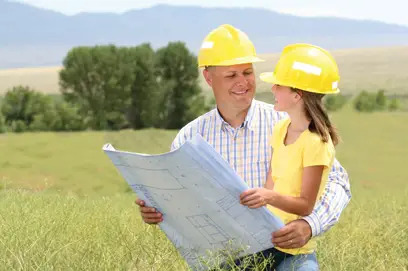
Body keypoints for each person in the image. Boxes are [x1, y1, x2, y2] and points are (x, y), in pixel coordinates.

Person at [135, 24, 351, 270]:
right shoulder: (189, 138)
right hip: (224, 257)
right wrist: (158, 210)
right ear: (208, 77)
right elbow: (180, 201)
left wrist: (309, 225)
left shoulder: (289, 123)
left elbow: (338, 183)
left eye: (247, 72)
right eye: (231, 75)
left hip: (289, 252)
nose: (243, 82)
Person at [240, 43, 342, 269]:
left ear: (297, 95)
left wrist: (268, 197)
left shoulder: (316, 143)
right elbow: (272, 179)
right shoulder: (281, 128)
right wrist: (261, 208)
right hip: (264, 240)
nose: (273, 89)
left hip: (293, 251)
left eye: (279, 85)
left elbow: (306, 206)